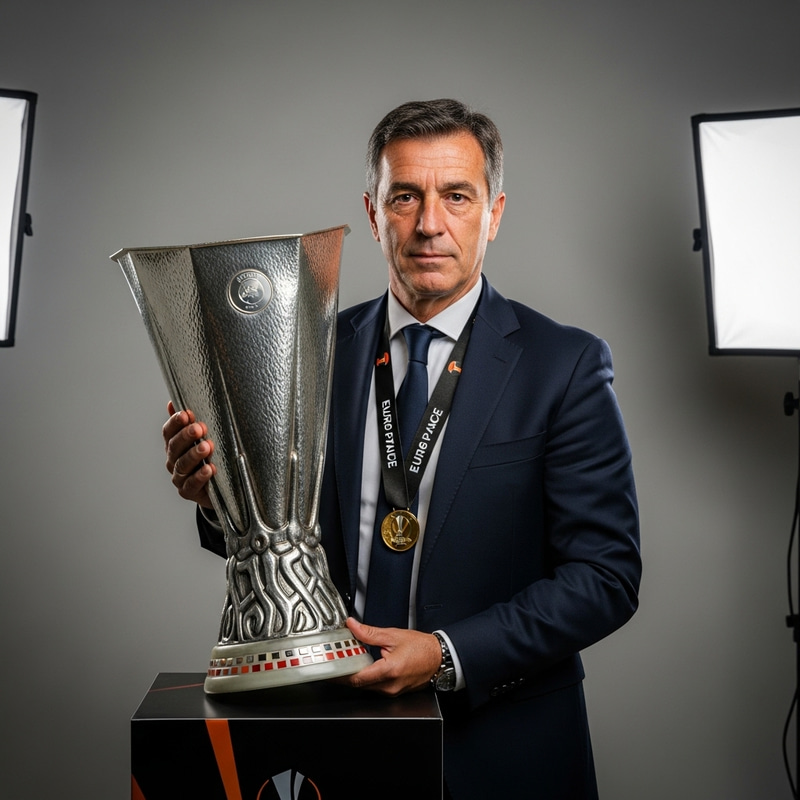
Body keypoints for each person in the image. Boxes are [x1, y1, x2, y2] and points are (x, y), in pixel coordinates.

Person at [162, 99, 641, 799]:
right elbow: (281, 533)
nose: (429, 224)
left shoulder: (561, 365)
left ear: (495, 212)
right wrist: (220, 497)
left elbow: (605, 577)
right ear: (372, 211)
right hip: (332, 740)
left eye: (457, 196)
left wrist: (446, 656)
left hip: (505, 751)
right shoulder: (306, 354)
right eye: (405, 197)